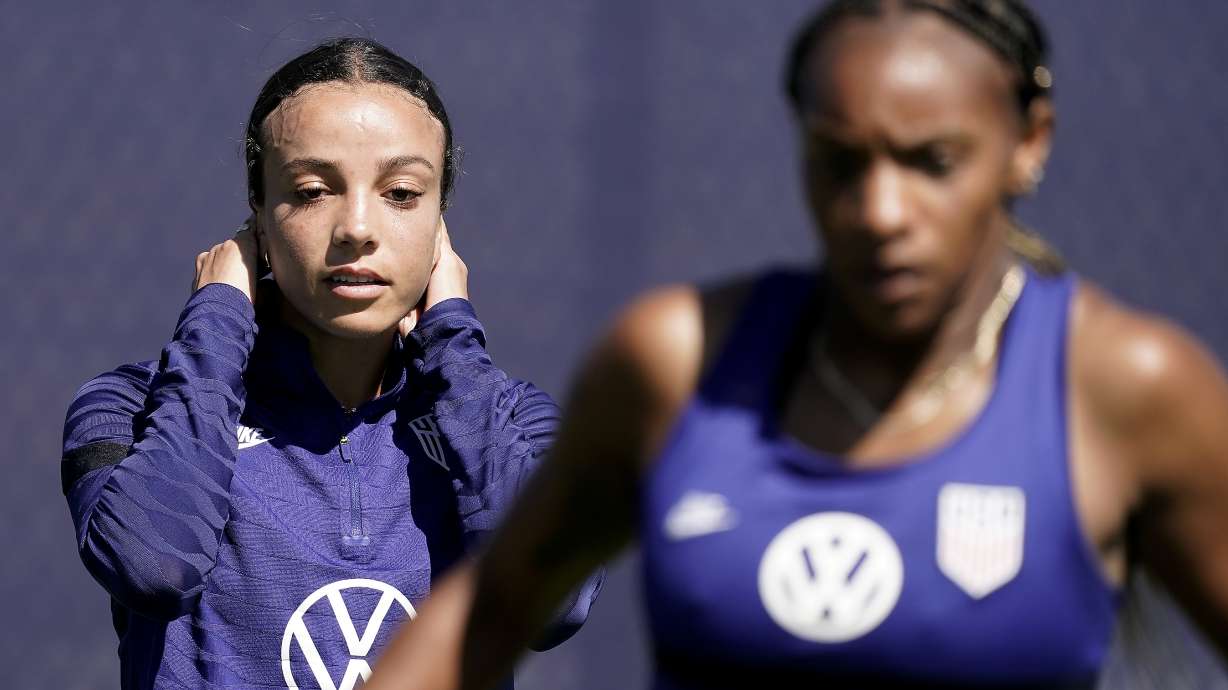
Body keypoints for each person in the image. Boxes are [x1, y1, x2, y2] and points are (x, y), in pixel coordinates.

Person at [364, 1, 1228, 688]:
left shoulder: (1128, 387)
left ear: (1027, 143)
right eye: (842, 163)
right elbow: (487, 615)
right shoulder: (675, 362)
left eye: (932, 161)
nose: (882, 212)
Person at [60, 37, 600, 690]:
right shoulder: (131, 406)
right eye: (312, 191)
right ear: (257, 212)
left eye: (402, 192)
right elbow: (153, 566)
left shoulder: (511, 417)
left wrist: (453, 339)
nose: (357, 227)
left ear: (441, 220)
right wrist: (218, 320)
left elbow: (554, 604)